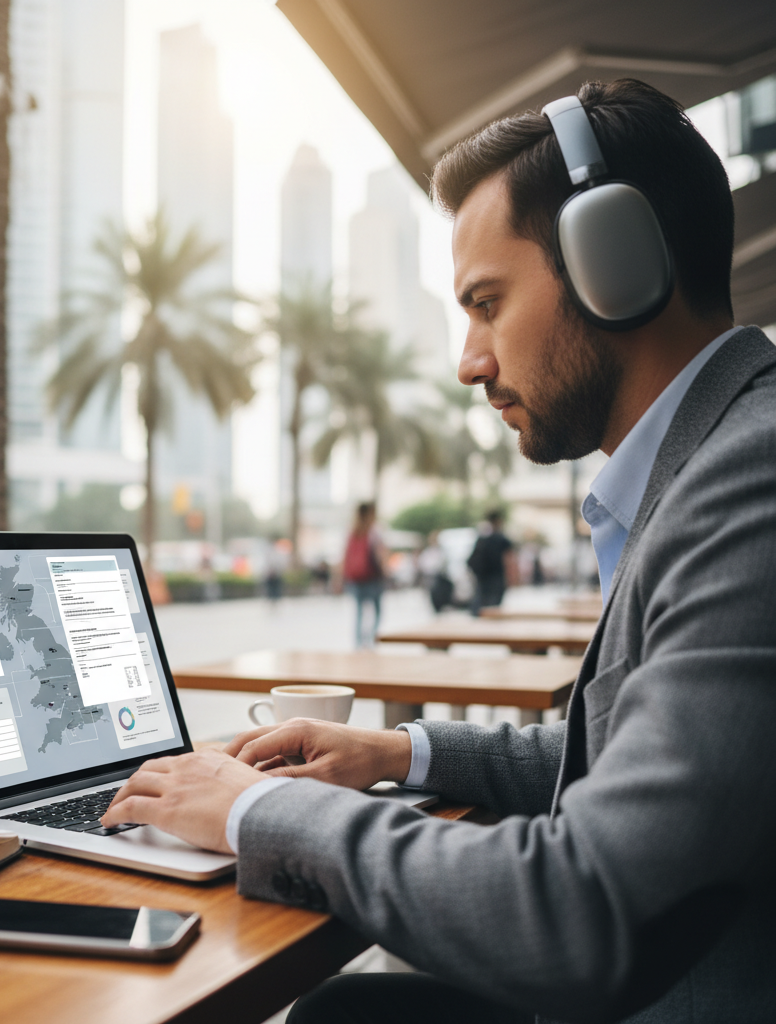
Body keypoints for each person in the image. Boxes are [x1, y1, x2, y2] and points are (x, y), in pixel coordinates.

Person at [102, 79, 776, 1022]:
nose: (469, 360)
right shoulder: (713, 460)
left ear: (611, 266)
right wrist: (392, 750)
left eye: (487, 303)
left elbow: (587, 912)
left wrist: (251, 811)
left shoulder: (750, 481)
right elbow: (631, 765)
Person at [341, 502, 385, 647]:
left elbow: (344, 555)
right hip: (372, 577)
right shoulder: (374, 531)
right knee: (377, 611)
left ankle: (359, 643)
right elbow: (381, 554)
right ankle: (371, 639)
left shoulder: (352, 531)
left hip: (355, 577)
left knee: (359, 612)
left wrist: (341, 577)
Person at [467, 509, 515, 612]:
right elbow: (509, 559)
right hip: (497, 577)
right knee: (494, 607)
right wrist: (511, 577)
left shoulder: (482, 537)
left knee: (482, 605)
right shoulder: (502, 539)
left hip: (483, 577)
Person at [417, 530, 453, 612]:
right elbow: (424, 564)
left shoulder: (440, 551)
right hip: (431, 576)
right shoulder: (428, 552)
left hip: (439, 576)